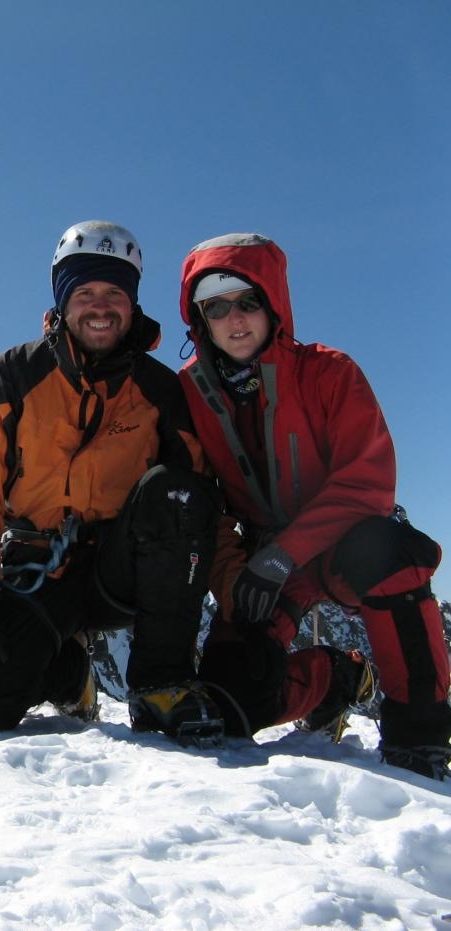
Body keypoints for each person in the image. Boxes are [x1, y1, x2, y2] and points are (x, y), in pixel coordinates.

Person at [0, 220, 228, 745]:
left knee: (175, 490)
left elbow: (200, 498)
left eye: (115, 293)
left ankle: (162, 682)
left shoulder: (158, 390)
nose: (100, 306)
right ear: (62, 300)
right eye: (85, 292)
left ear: (132, 303)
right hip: (42, 568)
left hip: (124, 568)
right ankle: (67, 672)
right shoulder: (12, 377)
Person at [179, 232, 450, 780]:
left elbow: (368, 480)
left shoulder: (328, 371)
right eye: (216, 307)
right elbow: (204, 505)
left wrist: (285, 553)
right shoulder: (189, 394)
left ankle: (420, 736)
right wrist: (236, 577)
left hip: (342, 547)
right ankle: (340, 678)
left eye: (248, 301)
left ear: (273, 304)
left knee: (391, 552)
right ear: (199, 318)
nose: (235, 319)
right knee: (233, 701)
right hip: (263, 564)